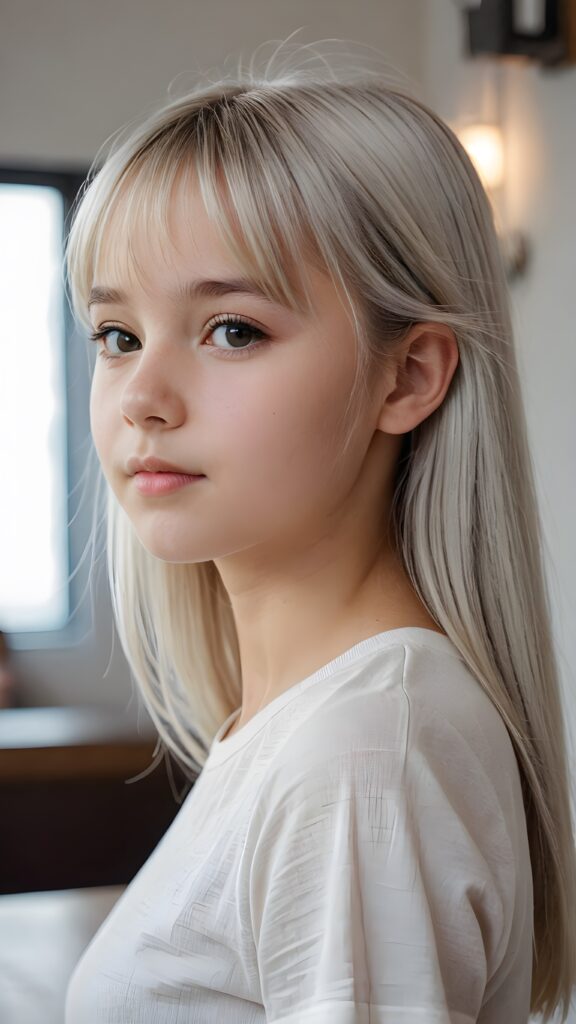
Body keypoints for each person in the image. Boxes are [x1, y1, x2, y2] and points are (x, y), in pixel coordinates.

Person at [63, 39, 576, 1024]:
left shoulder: (361, 746)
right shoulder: (313, 725)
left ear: (409, 376)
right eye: (117, 335)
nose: (143, 398)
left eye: (233, 330)